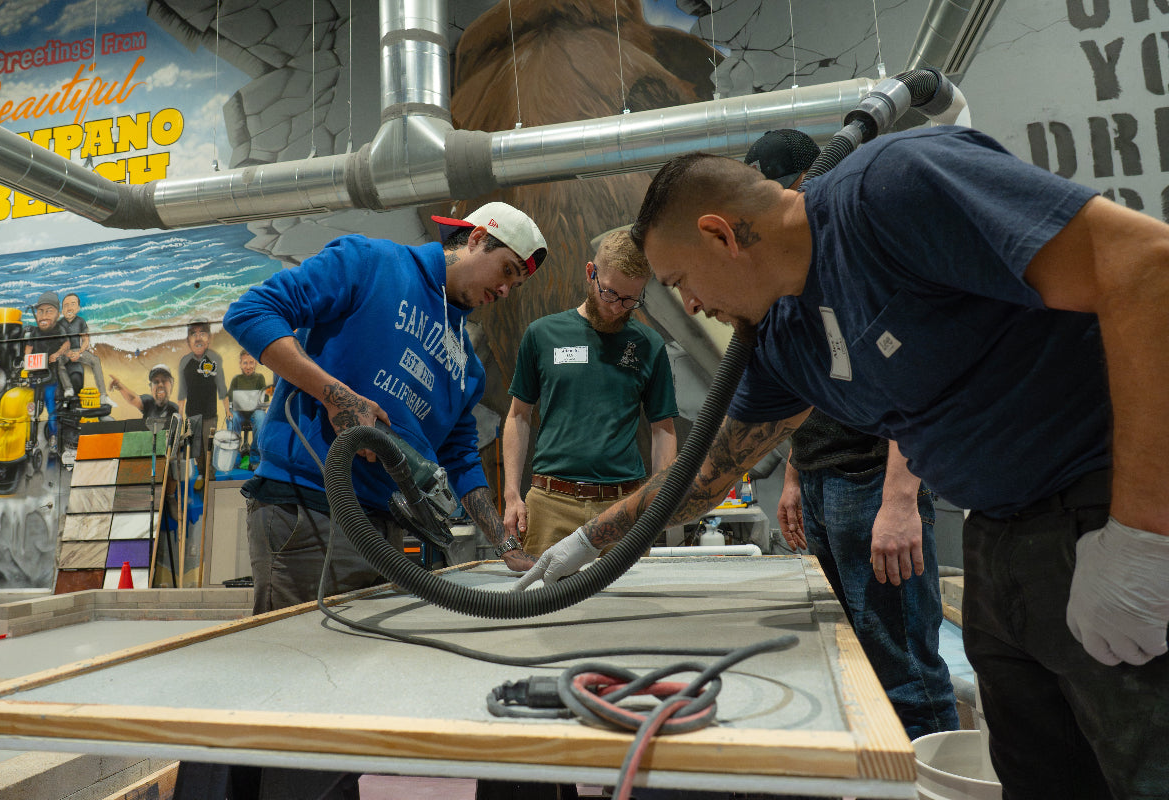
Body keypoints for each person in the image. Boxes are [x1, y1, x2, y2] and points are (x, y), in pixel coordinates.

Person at [516, 126, 1169, 798]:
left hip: (1106, 514)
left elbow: (1146, 263)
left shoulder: (891, 191)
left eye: (681, 281)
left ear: (720, 235)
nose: (692, 307)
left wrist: (1145, 536)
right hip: (997, 538)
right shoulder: (781, 336)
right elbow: (704, 477)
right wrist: (586, 540)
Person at [224, 200, 546, 616]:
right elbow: (251, 312)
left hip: (388, 529)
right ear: (478, 239)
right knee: (299, 665)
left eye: (515, 286)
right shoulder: (370, 263)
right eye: (506, 271)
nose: (504, 291)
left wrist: (506, 547)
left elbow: (461, 457)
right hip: (311, 510)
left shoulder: (467, 362)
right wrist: (335, 396)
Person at [747, 129, 958, 740]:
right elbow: (809, 388)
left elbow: (911, 379)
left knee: (903, 667)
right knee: (850, 655)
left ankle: (927, 778)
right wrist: (793, 475)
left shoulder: (850, 248)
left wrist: (899, 502)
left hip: (871, 483)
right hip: (821, 479)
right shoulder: (795, 271)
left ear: (799, 183)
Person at [503, 229, 678, 560]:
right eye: (610, 294)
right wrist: (512, 494)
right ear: (590, 273)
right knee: (545, 605)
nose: (616, 308)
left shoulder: (648, 345)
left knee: (625, 608)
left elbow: (663, 428)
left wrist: (659, 496)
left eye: (630, 299)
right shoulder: (543, 334)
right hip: (551, 503)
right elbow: (517, 415)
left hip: (623, 506)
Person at [177, 319, 229, 485]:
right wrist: (179, 416)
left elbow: (221, 387)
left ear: (209, 338)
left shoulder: (215, 359)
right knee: (197, 447)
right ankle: (201, 473)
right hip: (192, 413)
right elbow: (182, 392)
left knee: (208, 445)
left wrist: (227, 410)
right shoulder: (184, 362)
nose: (198, 338)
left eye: (202, 333)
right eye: (194, 334)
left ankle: (210, 476)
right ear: (188, 341)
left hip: (209, 413)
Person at [23, 291, 69, 444]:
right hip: (34, 377)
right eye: (40, 311)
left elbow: (66, 344)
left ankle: (53, 437)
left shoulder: (59, 330)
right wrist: (26, 359)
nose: (44, 316)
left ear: (57, 313)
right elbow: (28, 347)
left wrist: (56, 354)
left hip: (50, 377)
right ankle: (29, 438)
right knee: (30, 409)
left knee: (51, 408)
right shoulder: (34, 332)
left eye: (49, 311)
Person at [57, 292, 110, 406]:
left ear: (78, 308)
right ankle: (68, 388)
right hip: (65, 352)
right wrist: (67, 353)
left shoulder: (80, 321)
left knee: (95, 360)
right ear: (62, 309)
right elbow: (60, 344)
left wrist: (79, 352)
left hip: (78, 350)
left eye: (72, 304)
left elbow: (86, 341)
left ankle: (103, 395)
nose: (69, 308)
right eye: (66, 305)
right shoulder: (59, 324)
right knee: (59, 362)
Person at [228, 349, 268, 461]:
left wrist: (255, 400)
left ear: (255, 363)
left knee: (261, 416)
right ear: (240, 364)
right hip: (239, 412)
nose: (248, 366)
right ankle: (234, 456)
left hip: (254, 412)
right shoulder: (236, 379)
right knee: (232, 417)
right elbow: (230, 397)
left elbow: (264, 398)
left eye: (251, 363)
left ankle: (254, 455)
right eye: (245, 363)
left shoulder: (260, 378)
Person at [109, 364, 180, 425]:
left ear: (171, 383)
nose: (160, 385)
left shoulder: (174, 410)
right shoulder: (148, 402)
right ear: (151, 387)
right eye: (155, 382)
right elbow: (133, 398)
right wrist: (120, 386)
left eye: (164, 381)